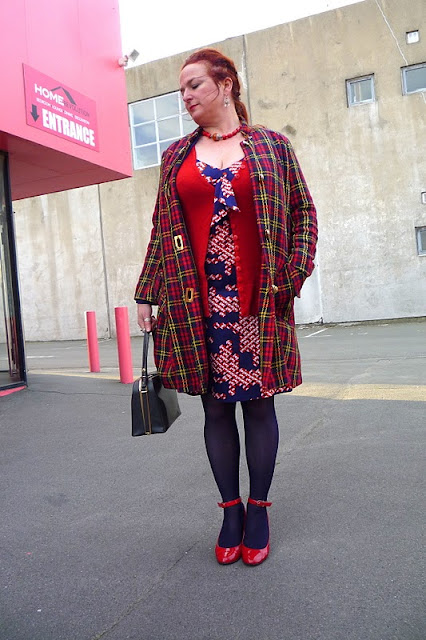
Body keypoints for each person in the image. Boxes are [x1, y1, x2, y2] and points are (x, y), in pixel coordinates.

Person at [135, 48, 318, 566]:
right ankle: (229, 511)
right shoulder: (176, 156)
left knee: (259, 405)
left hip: (257, 300)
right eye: (181, 90)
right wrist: (148, 290)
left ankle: (258, 510)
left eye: (194, 85)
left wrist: (291, 276)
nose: (186, 96)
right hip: (197, 302)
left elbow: (304, 214)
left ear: (226, 85)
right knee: (214, 407)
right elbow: (162, 229)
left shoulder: (272, 147)